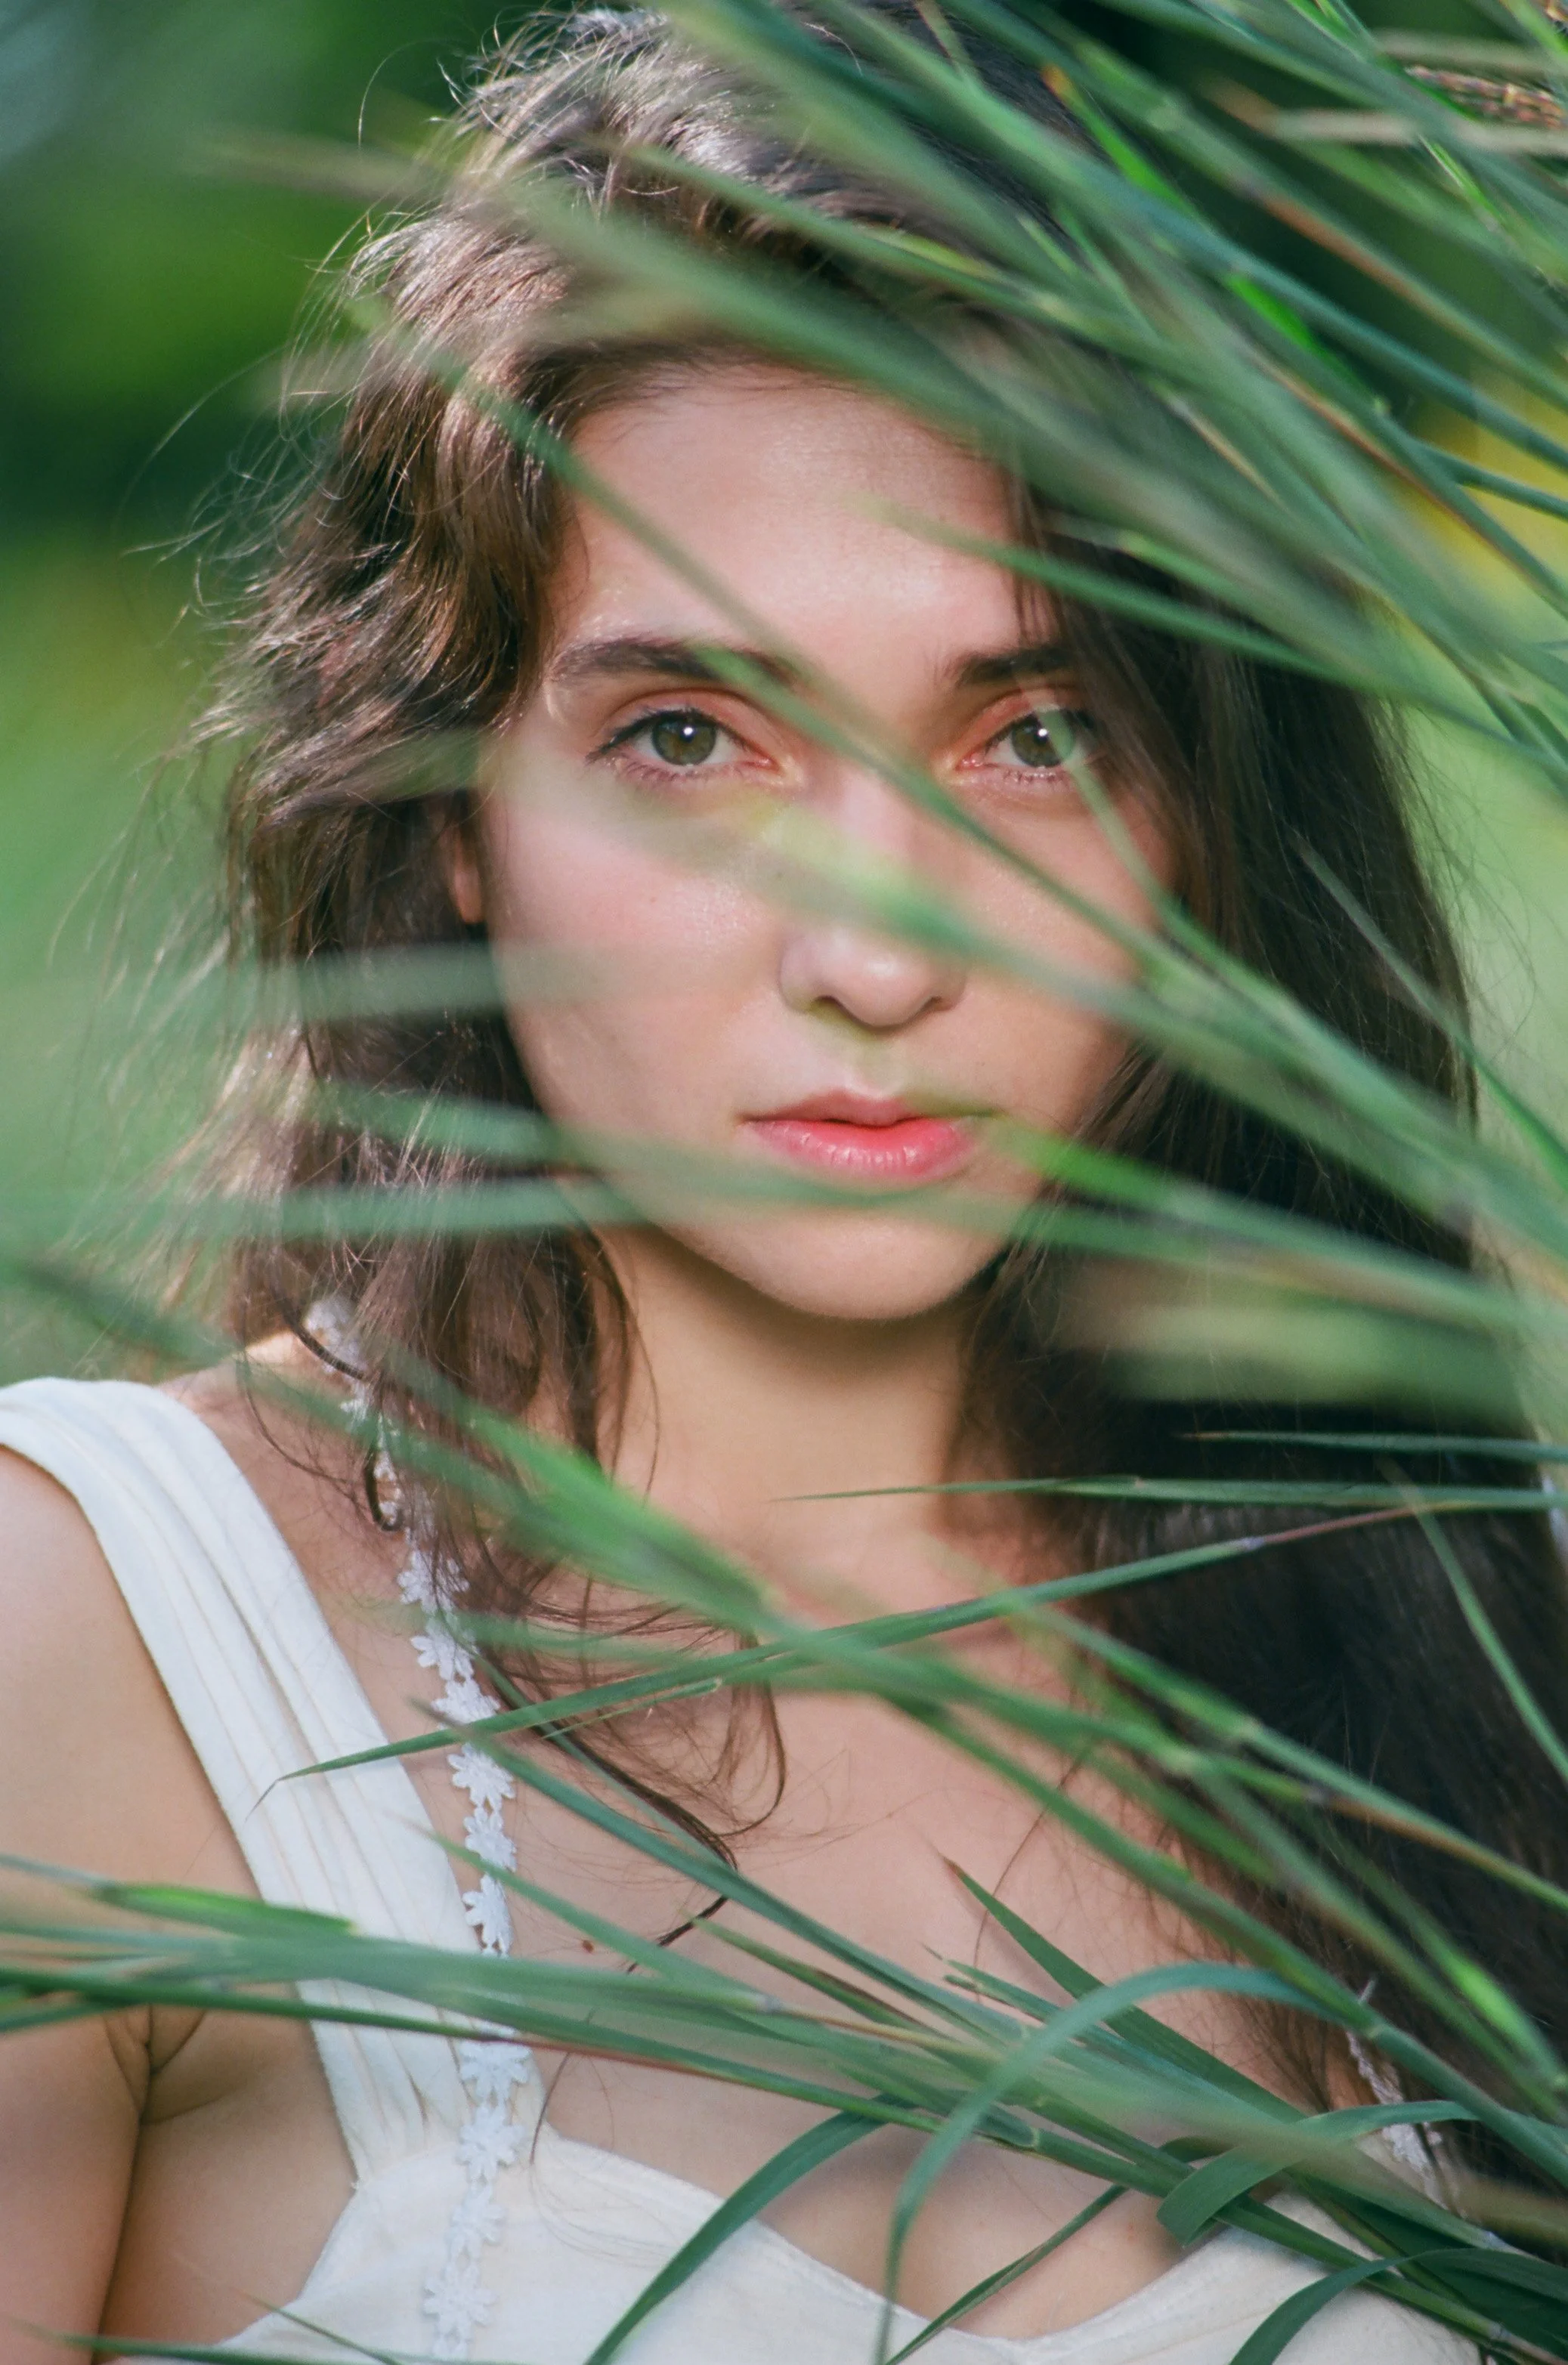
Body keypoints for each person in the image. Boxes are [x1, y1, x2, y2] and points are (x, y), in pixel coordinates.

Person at [0, 8, 1560, 2360]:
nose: (870, 950)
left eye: (1033, 736)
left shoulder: (1456, 1660)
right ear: (453, 815)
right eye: (692, 737)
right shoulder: (90, 1652)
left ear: (1214, 834)